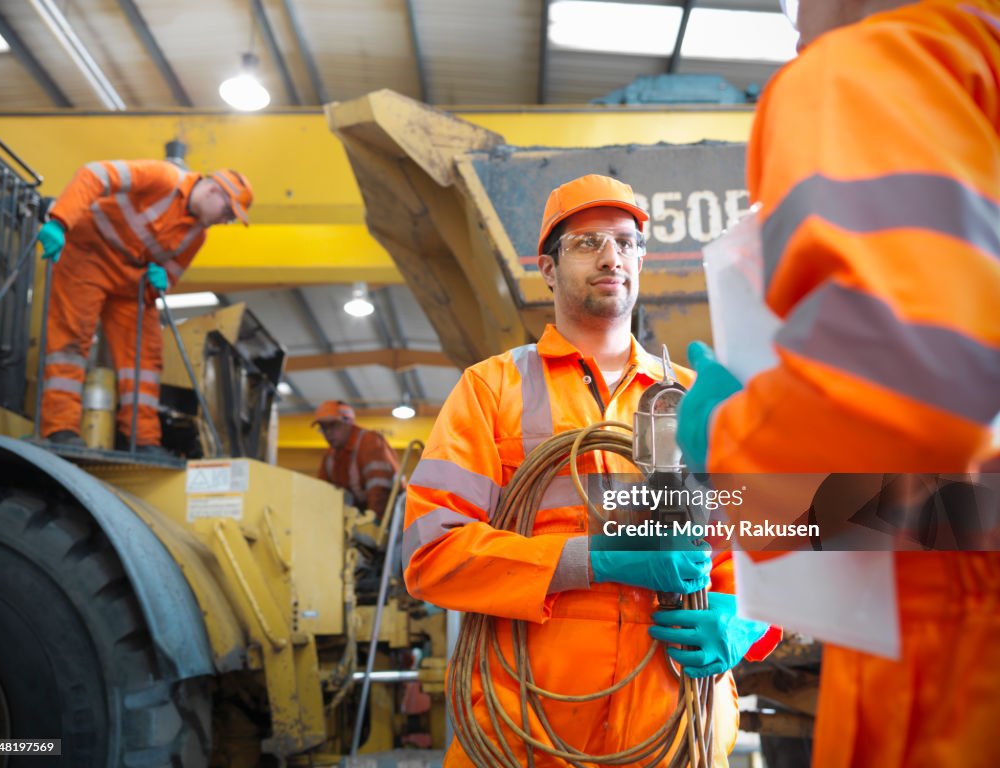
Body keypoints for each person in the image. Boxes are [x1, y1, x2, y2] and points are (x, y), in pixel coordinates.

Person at [676, 2, 1000, 766]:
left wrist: (728, 438)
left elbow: (918, 374)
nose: (795, 16)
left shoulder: (876, 66)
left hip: (956, 674)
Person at [403, 174, 780, 766]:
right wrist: (593, 559)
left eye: (627, 242)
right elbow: (433, 553)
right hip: (524, 732)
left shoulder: (692, 397)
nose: (612, 257)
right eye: (586, 242)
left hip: (672, 730)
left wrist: (745, 620)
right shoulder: (492, 388)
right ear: (548, 269)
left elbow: (760, 551)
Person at [36, 160, 252, 457]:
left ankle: (143, 440)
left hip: (130, 285)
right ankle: (60, 428)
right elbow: (95, 175)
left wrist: (161, 281)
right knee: (70, 342)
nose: (224, 221)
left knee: (145, 360)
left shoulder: (197, 235)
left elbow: (168, 276)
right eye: (227, 213)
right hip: (86, 256)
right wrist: (60, 221)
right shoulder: (163, 178)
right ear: (214, 191)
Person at [312, 399, 402, 521]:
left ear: (348, 423)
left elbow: (380, 490)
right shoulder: (330, 457)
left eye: (333, 426)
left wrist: (373, 525)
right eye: (323, 428)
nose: (328, 433)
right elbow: (322, 495)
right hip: (359, 519)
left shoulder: (369, 442)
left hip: (393, 520)